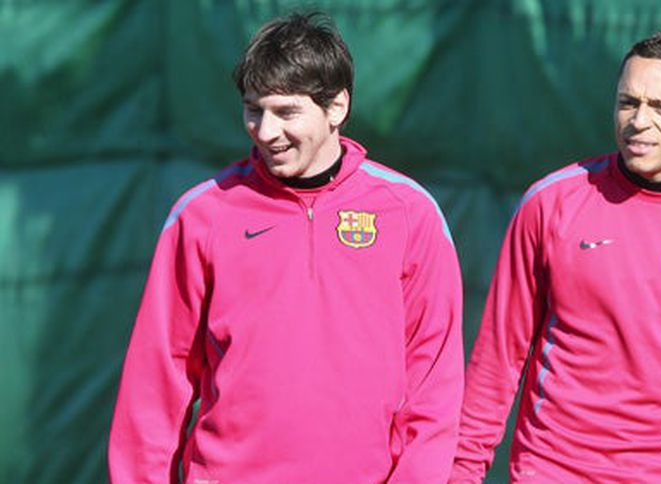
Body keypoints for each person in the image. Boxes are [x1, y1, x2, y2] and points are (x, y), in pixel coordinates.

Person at [108, 12, 463, 483]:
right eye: (254, 110)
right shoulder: (201, 215)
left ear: (337, 107)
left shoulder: (409, 213)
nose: (265, 131)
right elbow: (155, 385)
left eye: (286, 112)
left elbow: (433, 385)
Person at [450, 30, 661, 483]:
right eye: (628, 102)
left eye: (660, 107)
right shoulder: (549, 205)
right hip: (551, 471)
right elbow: (497, 361)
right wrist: (461, 473)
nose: (639, 120)